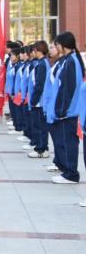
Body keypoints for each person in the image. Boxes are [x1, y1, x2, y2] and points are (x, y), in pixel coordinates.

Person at [46, 32, 82, 185]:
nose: (56, 47)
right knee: (62, 142)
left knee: (68, 143)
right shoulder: (67, 60)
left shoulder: (71, 61)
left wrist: (62, 110)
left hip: (67, 112)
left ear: (63, 45)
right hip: (62, 110)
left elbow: (69, 89)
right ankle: (66, 170)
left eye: (57, 44)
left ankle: (71, 174)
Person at [26, 41, 50, 159]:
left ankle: (42, 149)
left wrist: (34, 100)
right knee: (39, 126)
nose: (33, 53)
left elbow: (39, 84)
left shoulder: (42, 64)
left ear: (38, 51)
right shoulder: (41, 63)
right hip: (38, 100)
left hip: (40, 101)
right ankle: (41, 147)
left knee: (40, 127)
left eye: (34, 50)